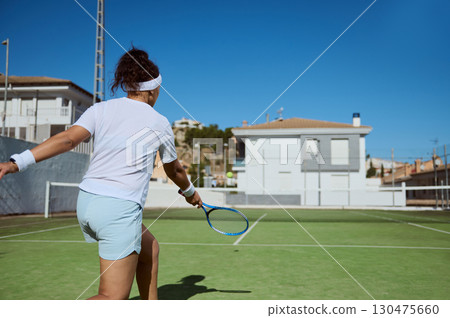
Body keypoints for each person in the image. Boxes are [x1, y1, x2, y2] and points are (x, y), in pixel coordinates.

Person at [0, 48, 202, 300]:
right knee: (111, 298)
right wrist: (191, 193)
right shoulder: (159, 122)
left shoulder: (101, 109)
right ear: (152, 90)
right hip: (118, 209)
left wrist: (16, 162)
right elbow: (175, 170)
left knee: (150, 248)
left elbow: (66, 140)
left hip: (87, 203)